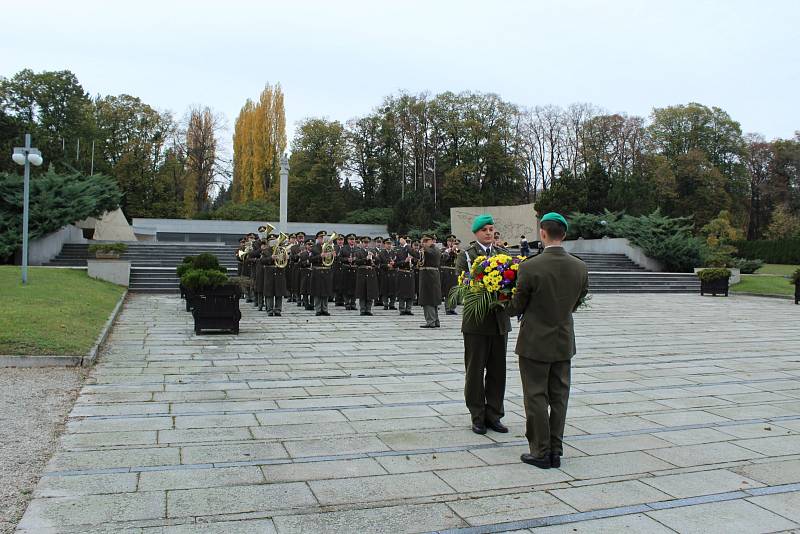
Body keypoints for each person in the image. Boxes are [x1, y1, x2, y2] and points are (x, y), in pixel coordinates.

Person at [506, 212, 589, 469]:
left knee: (536, 396)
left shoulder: (530, 266)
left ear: (542, 233)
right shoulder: (579, 266)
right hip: (563, 340)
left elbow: (516, 306)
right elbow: (578, 300)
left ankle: (540, 451)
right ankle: (555, 449)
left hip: (534, 341)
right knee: (559, 396)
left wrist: (500, 302)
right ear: (563, 235)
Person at [455, 214, 511, 435]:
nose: (489, 233)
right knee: (475, 370)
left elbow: (512, 281)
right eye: (484, 230)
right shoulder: (467, 256)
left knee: (498, 372)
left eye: (491, 229)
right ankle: (477, 415)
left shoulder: (503, 254)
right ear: (476, 233)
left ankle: (494, 414)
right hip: (476, 323)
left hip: (499, 322)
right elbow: (461, 286)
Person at [418, 233, 442, 328]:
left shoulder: (432, 250)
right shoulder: (433, 249)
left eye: (425, 241)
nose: (423, 243)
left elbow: (419, 253)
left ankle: (430, 321)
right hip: (431, 276)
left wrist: (406, 246)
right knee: (433, 299)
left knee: (427, 299)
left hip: (428, 276)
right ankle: (435, 321)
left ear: (431, 241)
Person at [262, 234, 289, 316]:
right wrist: (271, 258)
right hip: (269, 272)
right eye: (271, 240)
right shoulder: (266, 251)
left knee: (279, 292)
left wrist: (286, 257)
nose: (273, 242)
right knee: (269, 292)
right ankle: (269, 310)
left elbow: (285, 262)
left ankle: (278, 310)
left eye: (274, 240)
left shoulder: (281, 249)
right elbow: (262, 261)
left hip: (279, 272)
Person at [310, 231, 334, 316]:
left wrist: (333, 255)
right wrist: (320, 256)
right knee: (318, 292)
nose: (323, 239)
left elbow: (332, 260)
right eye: (321, 238)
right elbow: (311, 259)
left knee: (326, 291)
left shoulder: (329, 247)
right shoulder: (314, 248)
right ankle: (318, 309)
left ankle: (325, 309)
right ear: (318, 239)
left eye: (324, 237)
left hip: (327, 271)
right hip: (318, 271)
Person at [354, 236, 379, 316]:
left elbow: (378, 261)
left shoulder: (373, 251)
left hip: (371, 273)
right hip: (362, 273)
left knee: (370, 292)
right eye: (364, 242)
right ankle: (362, 310)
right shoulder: (358, 251)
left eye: (367, 242)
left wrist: (373, 257)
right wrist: (365, 259)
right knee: (362, 293)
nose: (366, 244)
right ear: (361, 243)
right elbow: (356, 262)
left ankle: (368, 309)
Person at [394, 235, 416, 315]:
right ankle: (402, 309)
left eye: (409, 241)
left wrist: (413, 260)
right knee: (402, 292)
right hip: (402, 273)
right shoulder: (398, 250)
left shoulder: (411, 250)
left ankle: (409, 309)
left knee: (410, 292)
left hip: (410, 273)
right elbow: (395, 264)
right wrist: (405, 261)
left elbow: (417, 258)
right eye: (406, 241)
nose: (408, 243)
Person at [440, 234, 459, 315]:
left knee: (454, 290)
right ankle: (448, 308)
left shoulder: (457, 250)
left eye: (453, 241)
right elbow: (444, 258)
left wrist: (456, 252)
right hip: (447, 272)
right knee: (448, 291)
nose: (451, 243)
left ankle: (453, 308)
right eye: (450, 241)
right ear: (447, 242)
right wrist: (450, 250)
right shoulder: (443, 250)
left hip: (454, 272)